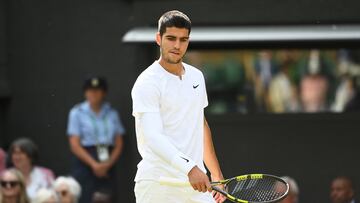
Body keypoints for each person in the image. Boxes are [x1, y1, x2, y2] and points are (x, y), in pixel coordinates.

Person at [131, 10, 226, 203]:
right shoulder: (147, 82)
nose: (177, 45)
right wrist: (190, 168)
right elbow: (153, 137)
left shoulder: (197, 77)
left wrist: (216, 174)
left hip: (195, 184)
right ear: (159, 38)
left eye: (183, 40)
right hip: (158, 184)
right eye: (171, 38)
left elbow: (200, 125)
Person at [67, 76, 125, 203]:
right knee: (85, 197)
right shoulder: (77, 112)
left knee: (108, 196)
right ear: (85, 92)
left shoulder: (111, 113)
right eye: (89, 90)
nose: (93, 93)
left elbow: (119, 142)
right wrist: (94, 164)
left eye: (97, 90)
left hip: (107, 158)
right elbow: (74, 144)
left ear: (104, 93)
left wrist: (108, 163)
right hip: (86, 159)